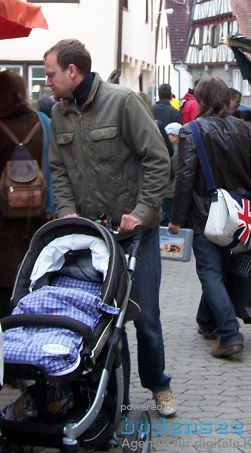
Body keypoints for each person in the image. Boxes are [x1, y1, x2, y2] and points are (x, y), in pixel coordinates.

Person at [43, 39, 175, 417]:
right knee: (105, 318)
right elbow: (59, 170)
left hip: (137, 233)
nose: (47, 81)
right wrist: (67, 213)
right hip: (93, 237)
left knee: (145, 316)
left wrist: (143, 211)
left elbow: (157, 159)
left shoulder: (123, 103)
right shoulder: (60, 112)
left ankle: (159, 385)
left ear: (72, 71)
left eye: (51, 73)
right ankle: (117, 396)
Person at [168, 77, 251, 359]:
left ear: (201, 99)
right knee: (221, 270)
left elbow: (185, 177)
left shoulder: (191, 131)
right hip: (240, 213)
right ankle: (207, 321)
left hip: (205, 213)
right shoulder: (245, 130)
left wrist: (176, 218)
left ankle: (229, 333)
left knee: (210, 272)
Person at [0, 70, 53, 317]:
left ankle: (8, 348)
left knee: (7, 296)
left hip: (2, 226)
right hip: (38, 221)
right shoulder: (43, 124)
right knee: (35, 286)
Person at [162, 122, 182, 226]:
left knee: (165, 221)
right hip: (178, 192)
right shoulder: (185, 149)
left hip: (168, 192)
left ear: (174, 136)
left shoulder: (172, 151)